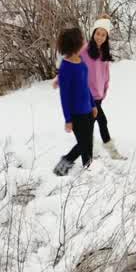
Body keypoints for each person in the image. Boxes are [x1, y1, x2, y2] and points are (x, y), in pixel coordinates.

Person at [53, 27, 98, 176]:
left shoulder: (81, 61)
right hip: (76, 115)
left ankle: (88, 166)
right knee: (83, 143)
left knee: (88, 141)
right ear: (75, 44)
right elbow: (64, 97)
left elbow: (86, 86)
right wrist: (68, 120)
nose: (84, 41)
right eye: (82, 39)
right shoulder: (66, 68)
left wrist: (93, 105)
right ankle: (62, 165)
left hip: (88, 111)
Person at [83, 14, 125, 160]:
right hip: (87, 95)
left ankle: (87, 153)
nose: (99, 37)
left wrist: (104, 91)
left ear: (106, 37)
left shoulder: (104, 53)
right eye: (97, 33)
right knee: (102, 121)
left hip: (99, 96)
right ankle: (111, 153)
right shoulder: (85, 50)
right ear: (93, 33)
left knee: (90, 125)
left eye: (103, 35)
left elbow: (105, 75)